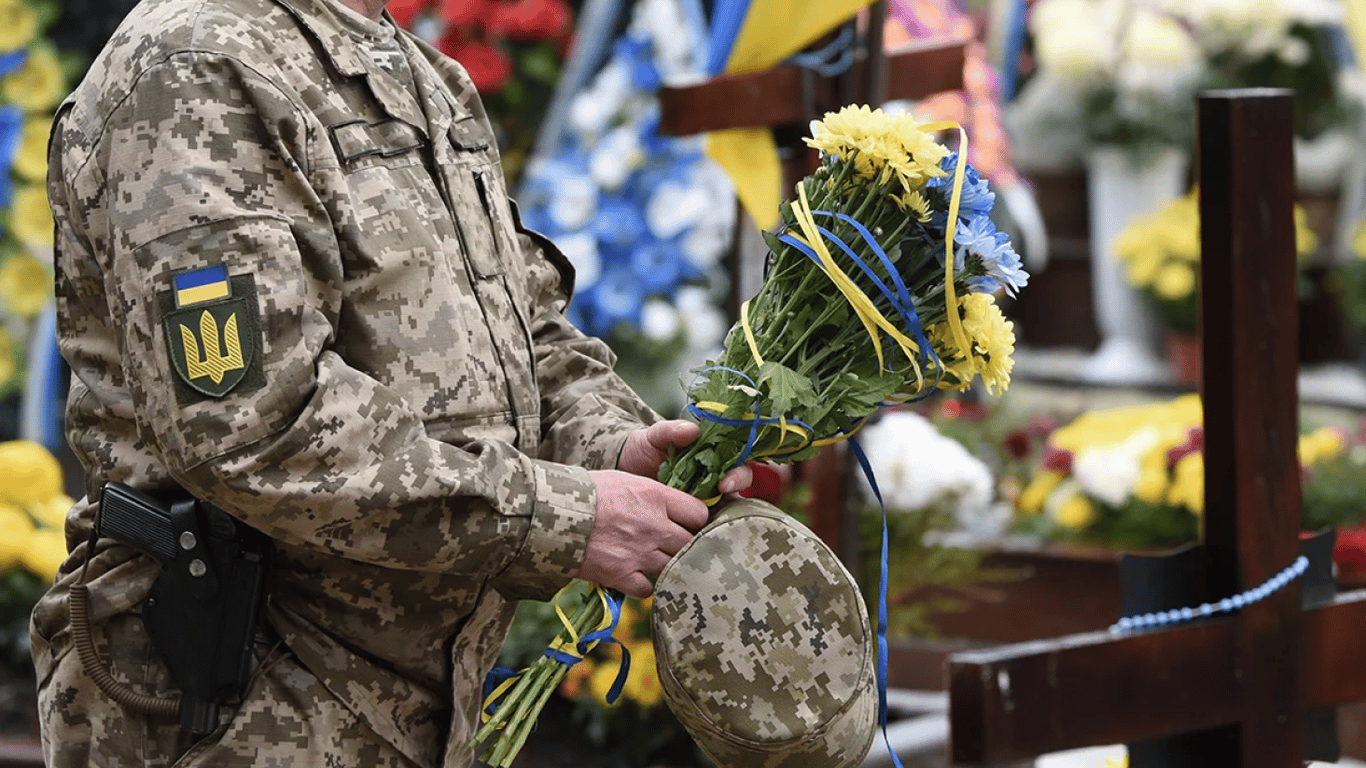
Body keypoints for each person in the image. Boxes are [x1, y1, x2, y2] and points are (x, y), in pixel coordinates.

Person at [30, 0, 750, 763]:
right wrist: (565, 518)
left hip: (410, 710)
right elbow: (250, 427)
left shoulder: (408, 67)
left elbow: (520, 332)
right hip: (246, 706)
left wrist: (613, 447)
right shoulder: (196, 66)